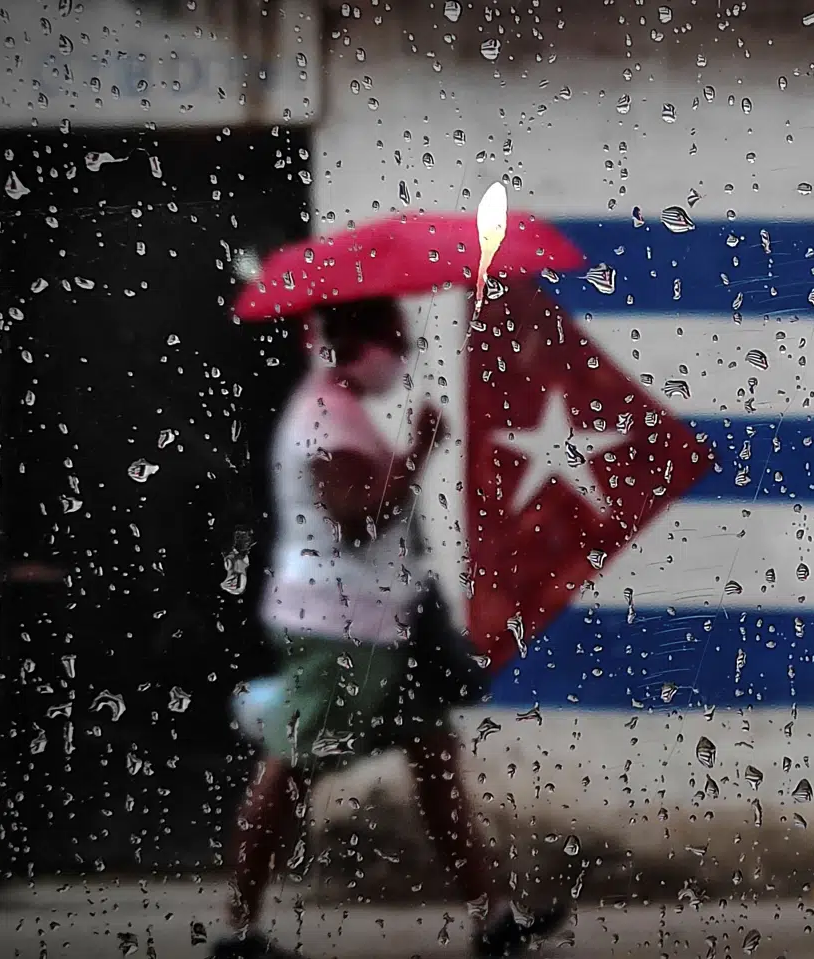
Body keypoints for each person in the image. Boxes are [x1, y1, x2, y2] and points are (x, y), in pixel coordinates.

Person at [211, 297, 569, 959]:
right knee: (288, 769)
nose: (399, 358)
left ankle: (493, 921)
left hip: (380, 625)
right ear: (360, 340)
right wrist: (421, 451)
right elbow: (354, 519)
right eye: (394, 342)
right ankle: (236, 933)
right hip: (338, 627)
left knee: (434, 760)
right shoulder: (325, 415)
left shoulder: (338, 409)